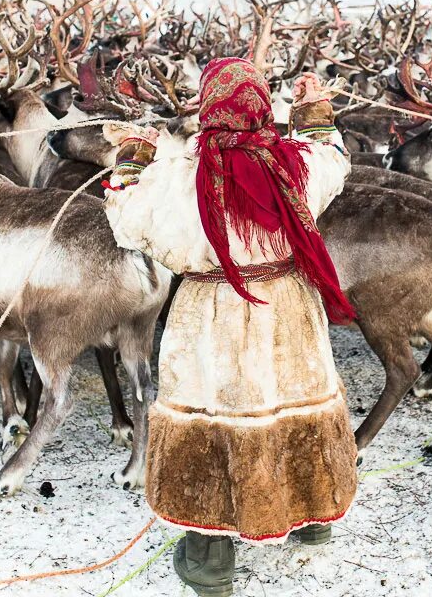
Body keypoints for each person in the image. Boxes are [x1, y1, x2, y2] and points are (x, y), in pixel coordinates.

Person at [102, 57, 357, 596]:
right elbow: (330, 155)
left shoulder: (177, 177)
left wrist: (133, 153)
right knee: (292, 402)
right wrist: (312, 107)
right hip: (287, 304)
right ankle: (309, 524)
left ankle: (209, 564)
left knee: (216, 420)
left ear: (207, 107)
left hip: (210, 315)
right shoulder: (296, 165)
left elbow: (128, 214)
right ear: (263, 105)